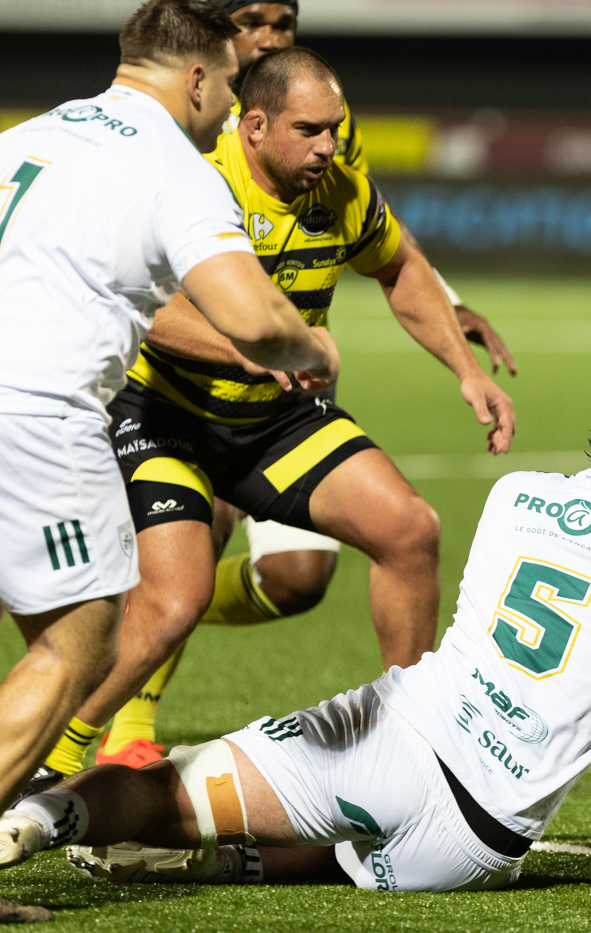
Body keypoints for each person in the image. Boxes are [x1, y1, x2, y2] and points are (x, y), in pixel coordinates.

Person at [0, 410, 591, 895]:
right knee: (342, 861)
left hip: (400, 735)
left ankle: (32, 819)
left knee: (159, 788)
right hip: (478, 843)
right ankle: (225, 855)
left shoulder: (518, 491)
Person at [32, 47, 515, 798]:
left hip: (274, 419)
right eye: (310, 130)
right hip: (166, 415)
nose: (328, 146)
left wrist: (467, 369)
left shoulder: (343, 190)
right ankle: (48, 760)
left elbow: (400, 268)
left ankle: (410, 754)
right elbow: (151, 308)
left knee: (409, 527)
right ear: (254, 125)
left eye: (335, 129)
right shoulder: (195, 181)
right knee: (172, 602)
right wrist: (247, 348)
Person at [0, 0, 338, 919]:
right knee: (81, 643)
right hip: (35, 412)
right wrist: (311, 349)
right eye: (230, 85)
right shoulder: (171, 164)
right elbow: (253, 315)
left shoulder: (34, 133)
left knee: (54, 641)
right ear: (195, 78)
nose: (232, 106)